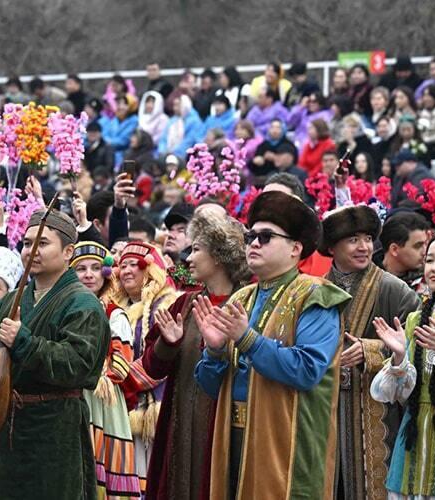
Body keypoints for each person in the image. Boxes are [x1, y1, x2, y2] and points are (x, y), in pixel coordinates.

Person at [195, 191, 350, 499]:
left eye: (265, 237)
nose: (253, 243)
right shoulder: (241, 298)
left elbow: (307, 370)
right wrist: (213, 351)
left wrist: (247, 340)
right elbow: (212, 388)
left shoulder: (316, 296)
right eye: (251, 235)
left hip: (287, 442)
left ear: (295, 248)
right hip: (234, 436)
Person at [0, 210, 110, 499]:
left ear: (68, 252)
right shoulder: (9, 302)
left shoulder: (83, 303)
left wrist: (24, 342)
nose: (31, 251)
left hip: (54, 429)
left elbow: (79, 365)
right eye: (27, 244)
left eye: (42, 244)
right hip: (7, 430)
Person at [142, 211, 251, 500]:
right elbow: (152, 368)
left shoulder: (248, 305)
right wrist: (168, 344)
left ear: (218, 255)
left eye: (197, 249)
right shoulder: (184, 304)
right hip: (180, 425)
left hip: (226, 428)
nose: (188, 258)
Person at [319, 206, 420, 500]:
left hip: (379, 414)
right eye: (353, 239)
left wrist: (373, 348)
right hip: (325, 413)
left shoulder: (394, 290)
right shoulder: (316, 290)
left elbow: (420, 348)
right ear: (331, 247)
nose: (364, 247)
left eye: (367, 238)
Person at [370, 234, 435, 498]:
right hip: (415, 430)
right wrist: (400, 358)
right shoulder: (417, 319)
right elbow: (403, 394)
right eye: (430, 260)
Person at [70, 241, 141, 499]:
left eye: (95, 267)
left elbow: (121, 366)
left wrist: (95, 375)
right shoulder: (65, 309)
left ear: (106, 273)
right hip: (72, 396)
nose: (88, 274)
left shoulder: (115, 315)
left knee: (102, 466)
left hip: (102, 398)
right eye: (81, 268)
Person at [112, 242, 179, 493]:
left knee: (148, 476)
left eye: (134, 265)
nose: (127, 270)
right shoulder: (113, 304)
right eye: (123, 265)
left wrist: (123, 381)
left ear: (150, 270)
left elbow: (162, 358)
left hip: (149, 408)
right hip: (116, 406)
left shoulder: (168, 303)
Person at [376, 211, 431, 290]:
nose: (425, 252)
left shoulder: (429, 280)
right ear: (394, 249)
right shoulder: (368, 281)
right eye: (418, 246)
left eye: (426, 244)